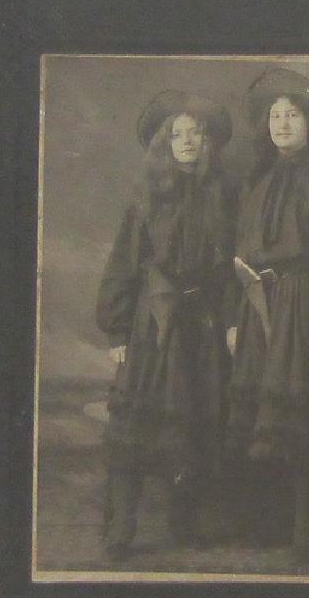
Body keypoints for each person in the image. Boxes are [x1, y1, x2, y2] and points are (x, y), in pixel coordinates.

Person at [96, 90, 237, 560]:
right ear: (165, 142)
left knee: (193, 420)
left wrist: (230, 321)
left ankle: (183, 521)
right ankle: (122, 526)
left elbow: (231, 267)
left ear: (207, 141)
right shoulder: (146, 198)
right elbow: (124, 263)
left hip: (201, 325)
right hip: (152, 326)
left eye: (195, 132)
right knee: (136, 422)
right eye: (177, 134)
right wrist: (117, 330)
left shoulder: (222, 195)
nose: (187, 140)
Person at [226, 67, 309, 563]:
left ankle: (306, 529)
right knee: (263, 414)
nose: (282, 124)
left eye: (292, 115)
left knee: (301, 414)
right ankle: (268, 522)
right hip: (258, 304)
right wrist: (235, 317)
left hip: (304, 305)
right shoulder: (258, 181)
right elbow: (239, 254)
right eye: (275, 116)